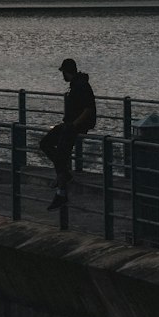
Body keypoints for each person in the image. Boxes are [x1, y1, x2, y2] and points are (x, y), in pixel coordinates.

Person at [39, 57, 97, 209]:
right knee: (45, 143)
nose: (62, 75)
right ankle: (65, 175)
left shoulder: (81, 85)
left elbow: (88, 109)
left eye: (62, 72)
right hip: (69, 124)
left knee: (60, 156)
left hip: (75, 126)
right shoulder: (76, 84)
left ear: (66, 71)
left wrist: (74, 125)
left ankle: (61, 192)